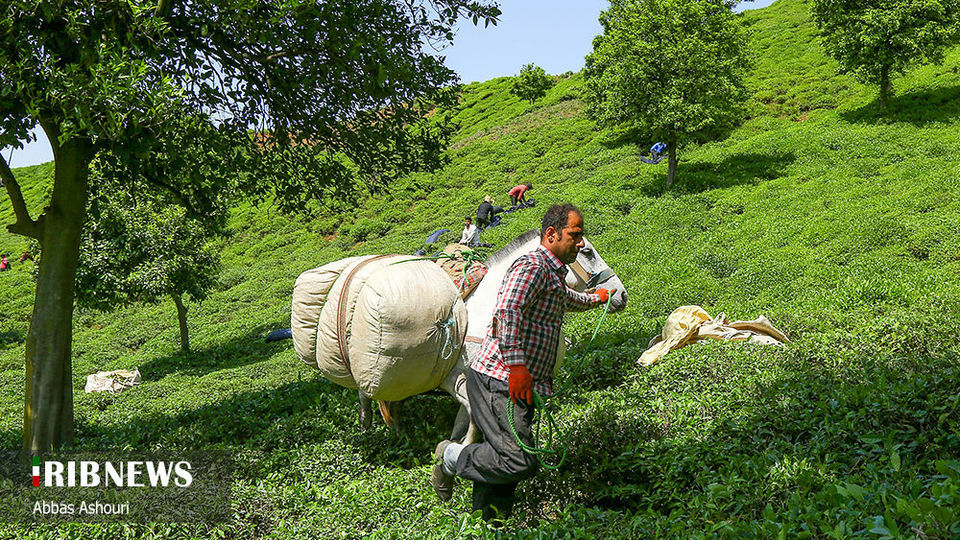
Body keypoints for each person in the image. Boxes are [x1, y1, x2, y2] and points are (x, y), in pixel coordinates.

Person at [431, 203, 615, 522]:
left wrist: (598, 297)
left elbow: (567, 300)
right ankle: (449, 455)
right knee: (519, 460)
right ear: (551, 234)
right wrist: (517, 368)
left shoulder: (553, 274)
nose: (581, 243)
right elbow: (507, 312)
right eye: (575, 235)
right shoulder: (531, 265)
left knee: (502, 462)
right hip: (500, 380)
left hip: (516, 384)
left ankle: (489, 523)